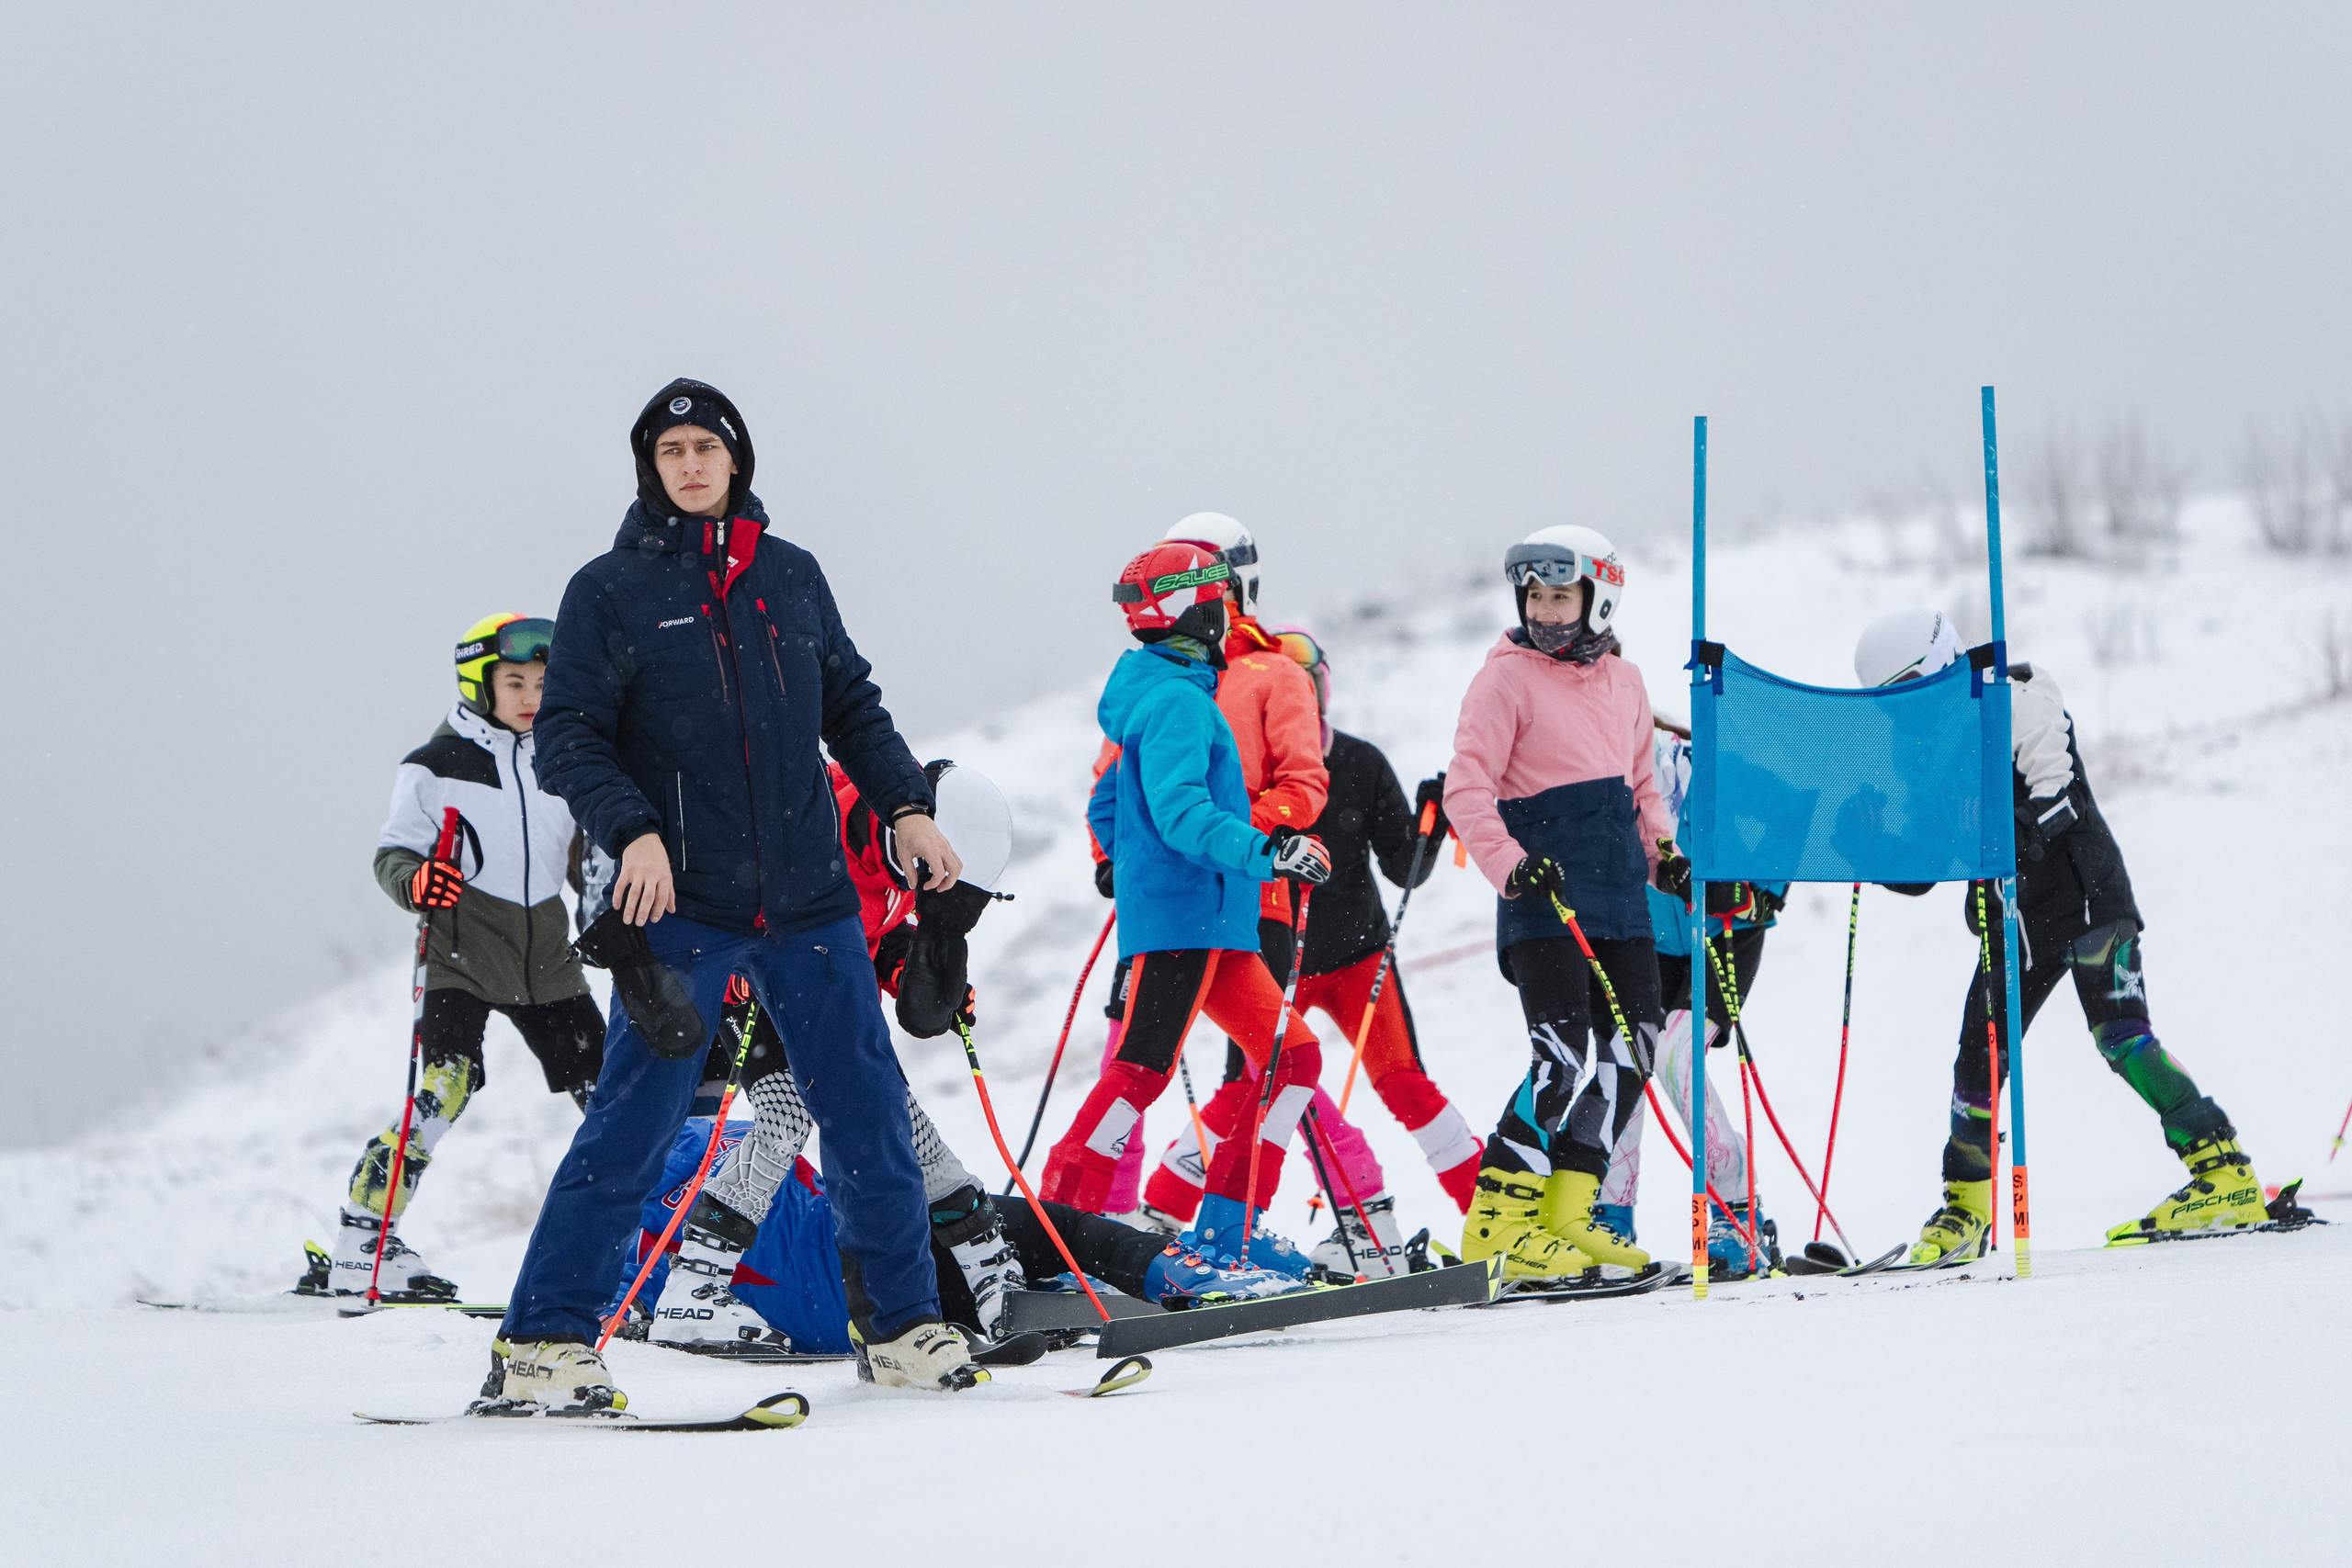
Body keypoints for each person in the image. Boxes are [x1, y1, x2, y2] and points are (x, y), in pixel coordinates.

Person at [488, 378, 978, 1411]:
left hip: (811, 900)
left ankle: (901, 1328)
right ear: (650, 470)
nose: (691, 465)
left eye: (706, 447)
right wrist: (633, 830)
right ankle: (543, 1341)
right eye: (670, 453)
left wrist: (905, 805)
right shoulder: (609, 590)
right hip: (681, 905)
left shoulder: (791, 576)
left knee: (867, 1113)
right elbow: (567, 733)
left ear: (736, 458)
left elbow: (851, 703)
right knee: (635, 1121)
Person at [1854, 610, 2278, 1259]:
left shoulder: (2013, 698)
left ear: (1939, 665)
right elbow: (1923, 873)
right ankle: (1966, 1208)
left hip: (2085, 900)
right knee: (1977, 1057)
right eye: (1887, 702)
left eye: (1907, 689)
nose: (1903, 711)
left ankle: (2223, 1172)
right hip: (2014, 925)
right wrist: (1868, 841)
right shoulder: (1920, 753)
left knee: (2121, 1036)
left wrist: (2005, 832)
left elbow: (2057, 798)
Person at [1138, 624, 1483, 1275]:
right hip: (1273, 957)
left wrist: (1431, 828)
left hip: (1357, 957)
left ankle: (1489, 1210)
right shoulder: (1241, 770)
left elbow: (1404, 868)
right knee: (1246, 1087)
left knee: (1405, 1083)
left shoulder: (1358, 761)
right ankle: (1160, 1214)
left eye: (1305, 687)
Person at [1037, 539, 1335, 1274]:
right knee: (1141, 1070)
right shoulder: (1177, 702)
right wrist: (1268, 852)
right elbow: (1180, 814)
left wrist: (1125, 864)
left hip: (1215, 922)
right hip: (1186, 919)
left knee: (1294, 1060)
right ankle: (1055, 1239)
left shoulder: (1172, 693)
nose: (1228, 613)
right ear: (1197, 613)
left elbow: (1109, 801)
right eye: (1218, 601)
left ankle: (1232, 1230)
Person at [298, 614, 604, 1302]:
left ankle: (644, 1245)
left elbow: (582, 856)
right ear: (479, 684)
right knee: (445, 1088)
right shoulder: (437, 764)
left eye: (543, 683)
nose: (531, 697)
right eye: (514, 682)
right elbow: (394, 852)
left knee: (610, 1096)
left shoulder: (565, 757)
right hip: (461, 948)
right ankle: (364, 1239)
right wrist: (416, 883)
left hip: (547, 956)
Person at [1445, 525, 1683, 1280]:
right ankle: (1499, 1223)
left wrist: (1665, 857)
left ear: (1599, 599)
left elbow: (1642, 788)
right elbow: (1466, 789)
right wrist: (1513, 867)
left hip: (1620, 896)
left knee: (1634, 1049)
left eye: (1561, 596)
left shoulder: (1626, 682)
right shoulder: (1504, 681)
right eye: (1535, 597)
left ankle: (1567, 1213)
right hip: (1545, 897)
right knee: (1561, 1056)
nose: (1545, 611)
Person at [1593, 727, 1788, 1279]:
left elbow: (1791, 808)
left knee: (1676, 1055)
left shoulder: (1707, 764)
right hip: (1651, 939)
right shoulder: (1603, 770)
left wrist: (1751, 893)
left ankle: (1736, 1207)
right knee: (1625, 1056)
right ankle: (1610, 1213)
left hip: (1723, 934)